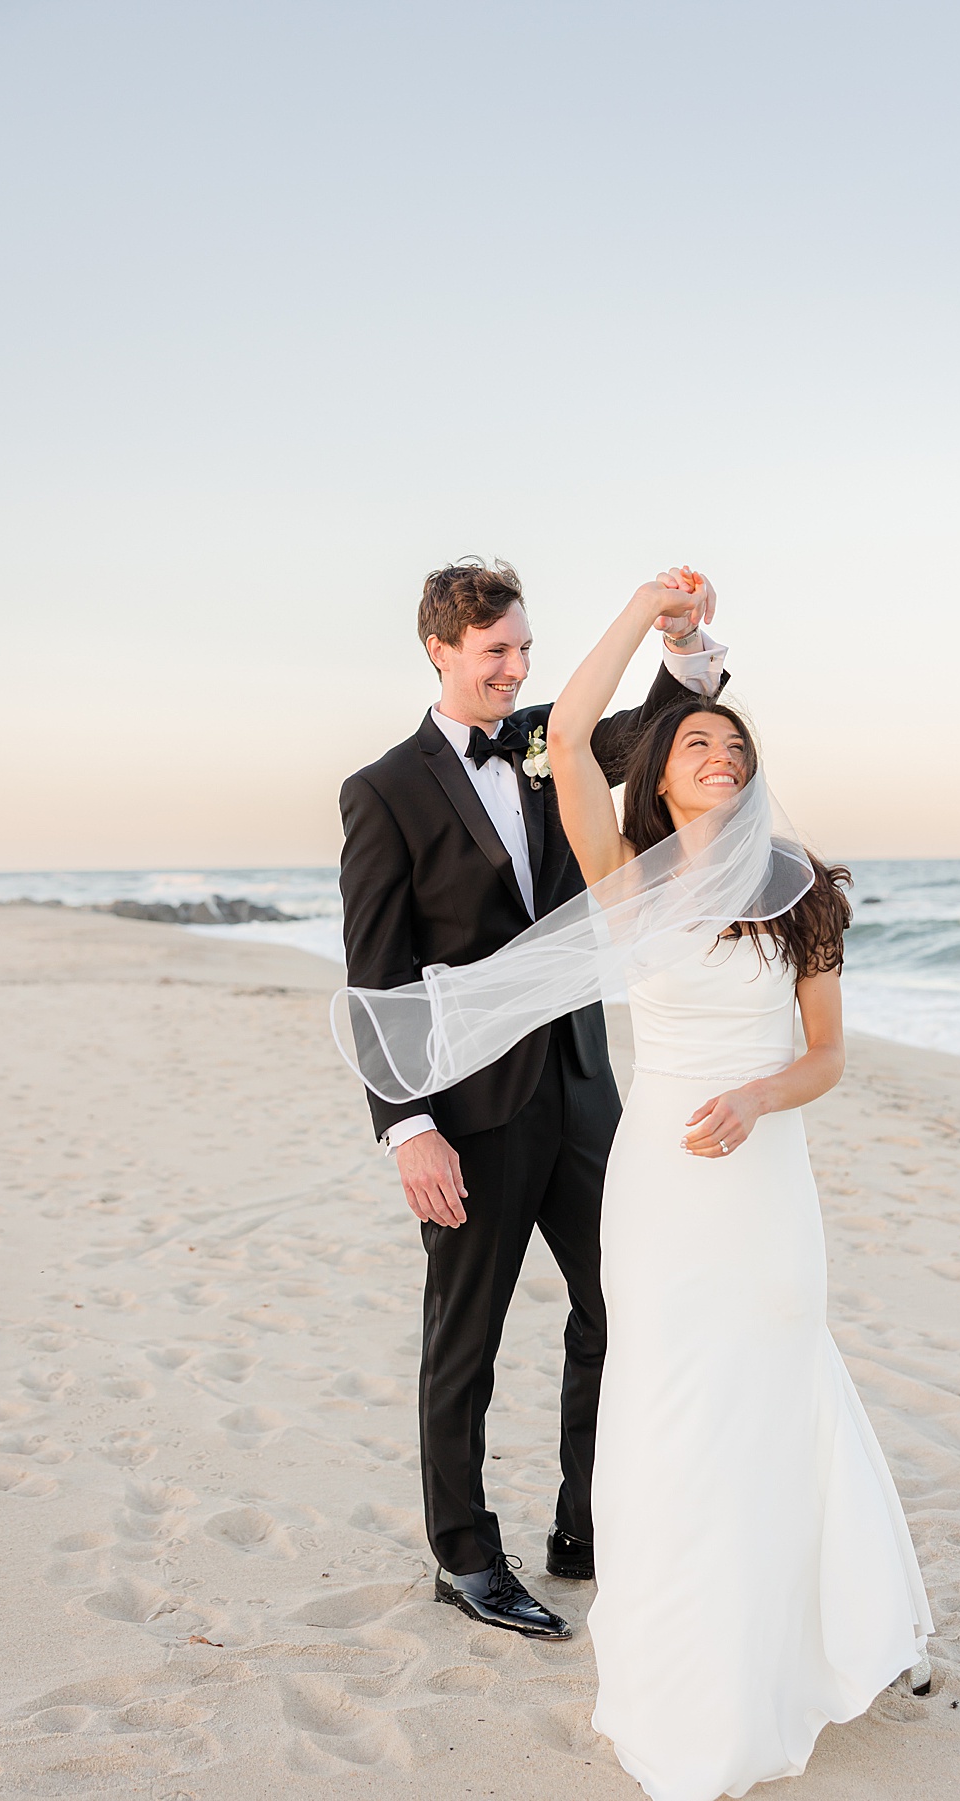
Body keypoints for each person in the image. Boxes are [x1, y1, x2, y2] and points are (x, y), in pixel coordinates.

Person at [546, 579, 932, 1800]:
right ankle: (680, 1655)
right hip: (659, 1188)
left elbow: (824, 1055)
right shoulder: (627, 881)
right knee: (667, 1405)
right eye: (698, 741)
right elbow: (565, 735)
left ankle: (795, 1643)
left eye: (736, 745)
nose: (720, 754)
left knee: (773, 1390)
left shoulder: (801, 887)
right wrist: (641, 611)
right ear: (660, 773)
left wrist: (762, 1097)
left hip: (763, 1184)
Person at [336, 557, 727, 1639]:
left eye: (524, 649)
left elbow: (668, 721)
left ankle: (584, 1528)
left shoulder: (555, 740)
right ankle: (463, 1558)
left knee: (618, 1306)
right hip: (466, 1109)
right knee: (468, 1335)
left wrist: (685, 637)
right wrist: (405, 1125)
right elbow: (376, 975)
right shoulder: (383, 790)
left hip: (583, 1080)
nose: (515, 669)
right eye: (496, 652)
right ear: (442, 650)